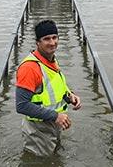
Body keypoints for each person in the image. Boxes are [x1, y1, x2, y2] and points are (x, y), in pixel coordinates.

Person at [15, 20, 82, 157]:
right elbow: (21, 106)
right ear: (38, 42)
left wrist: (70, 96)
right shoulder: (29, 68)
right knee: (38, 165)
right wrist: (56, 116)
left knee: (52, 165)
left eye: (54, 37)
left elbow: (52, 89)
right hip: (38, 130)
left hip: (54, 124)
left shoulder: (51, 60)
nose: (52, 43)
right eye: (46, 39)